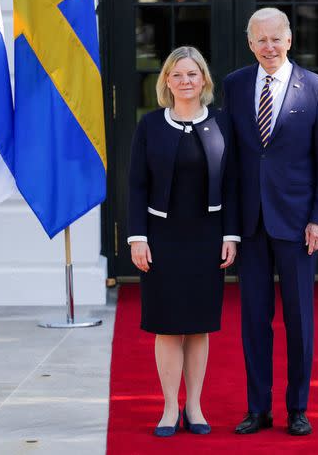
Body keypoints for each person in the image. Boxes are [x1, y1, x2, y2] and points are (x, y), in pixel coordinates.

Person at [223, 8, 318, 436]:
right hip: (251, 224)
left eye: (276, 39)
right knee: (253, 319)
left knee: (299, 320)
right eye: (260, 40)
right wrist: (229, 228)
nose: (269, 47)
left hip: (298, 224)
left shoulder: (317, 89)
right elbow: (231, 161)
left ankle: (297, 408)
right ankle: (257, 409)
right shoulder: (235, 86)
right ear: (250, 42)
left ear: (289, 39)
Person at [127, 46, 240, 437]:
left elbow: (233, 184)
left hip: (207, 237)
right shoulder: (151, 125)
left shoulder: (224, 124)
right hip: (162, 237)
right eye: (177, 75)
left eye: (192, 74)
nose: (185, 81)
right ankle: (169, 408)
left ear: (204, 80)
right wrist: (137, 237)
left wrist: (231, 235)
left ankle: (194, 406)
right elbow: (137, 185)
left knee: (198, 325)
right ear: (166, 82)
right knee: (167, 325)